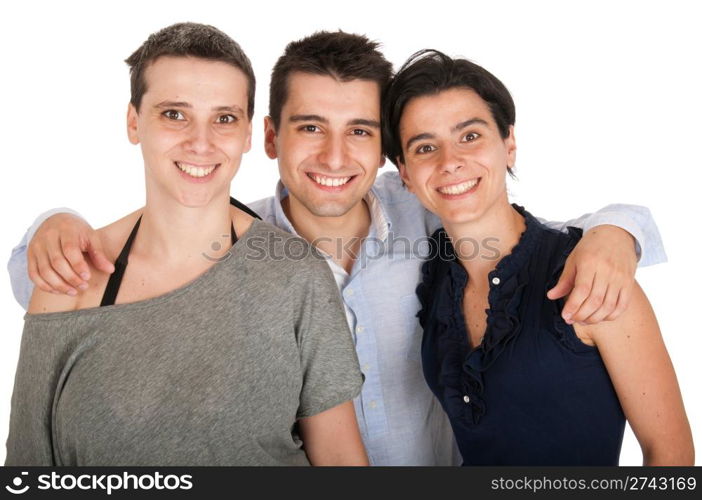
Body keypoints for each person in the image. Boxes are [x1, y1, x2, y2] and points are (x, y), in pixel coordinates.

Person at [7, 32, 668, 465]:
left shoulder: (426, 205)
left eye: (358, 130)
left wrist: (617, 231)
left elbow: (534, 233)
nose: (333, 156)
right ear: (269, 138)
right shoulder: (233, 239)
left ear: (386, 151)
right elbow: (72, 284)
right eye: (308, 127)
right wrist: (52, 224)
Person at [5, 23, 367, 466]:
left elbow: (340, 462)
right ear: (134, 122)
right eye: (174, 114)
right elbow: (29, 469)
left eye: (224, 118)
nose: (201, 142)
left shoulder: (298, 277)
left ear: (249, 134)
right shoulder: (70, 278)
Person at [382, 49, 693, 465]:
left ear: (508, 144)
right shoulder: (435, 275)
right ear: (404, 172)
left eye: (470, 136)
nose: (450, 162)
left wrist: (619, 232)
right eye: (424, 148)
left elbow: (670, 454)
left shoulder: (591, 278)